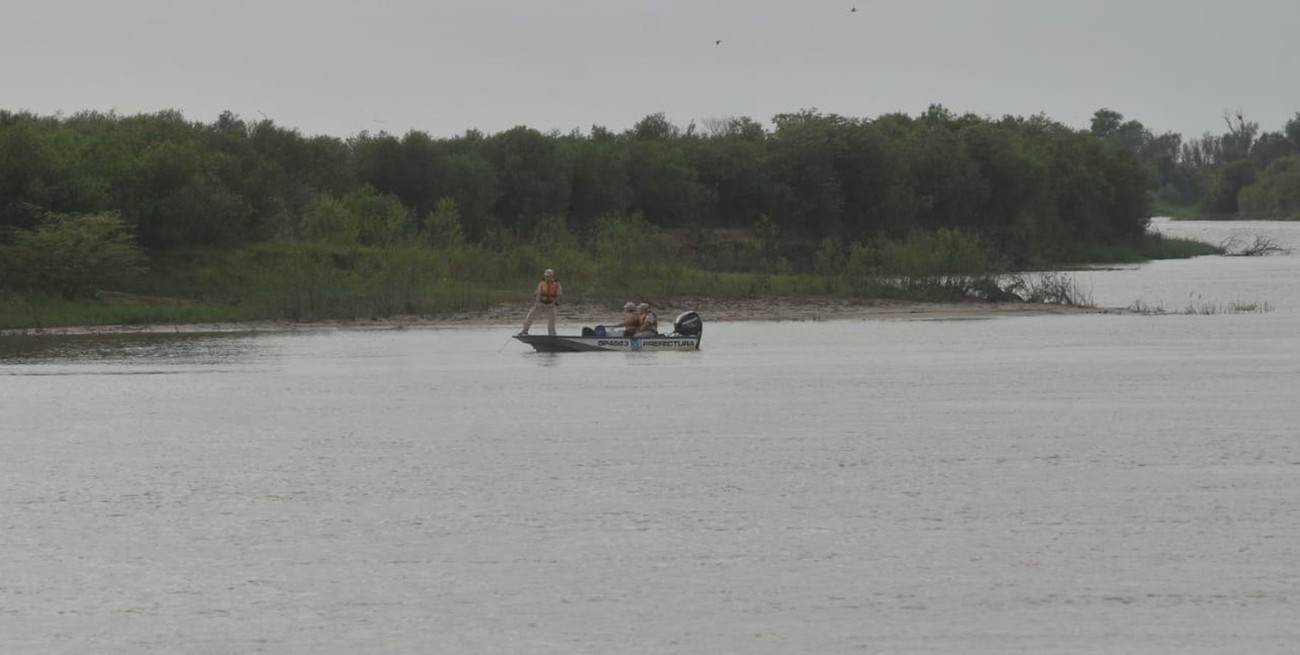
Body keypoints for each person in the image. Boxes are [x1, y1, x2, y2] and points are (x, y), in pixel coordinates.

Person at [518, 268, 561, 336]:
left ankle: (552, 335)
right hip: (541, 304)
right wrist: (537, 303)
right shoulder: (541, 283)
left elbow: (558, 295)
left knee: (551, 322)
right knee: (530, 316)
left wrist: (552, 304)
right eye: (546, 276)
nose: (546, 277)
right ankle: (524, 331)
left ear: (552, 276)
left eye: (548, 276)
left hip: (550, 305)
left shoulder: (557, 284)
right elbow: (538, 294)